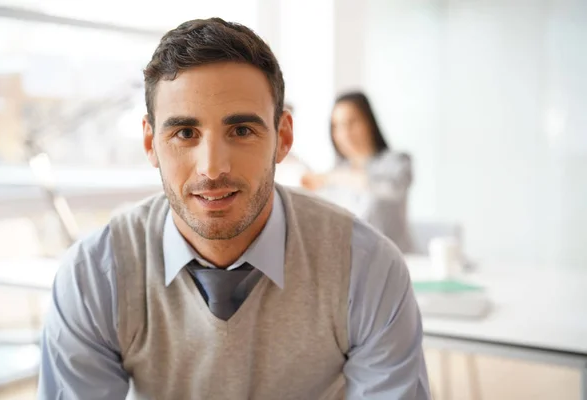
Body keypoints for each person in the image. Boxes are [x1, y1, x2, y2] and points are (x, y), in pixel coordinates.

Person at [37, 18, 430, 400]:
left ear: (283, 137)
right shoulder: (96, 275)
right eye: (185, 133)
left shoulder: (365, 268)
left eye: (241, 131)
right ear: (150, 143)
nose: (212, 168)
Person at [302, 92, 414, 253]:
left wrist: (333, 178)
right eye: (337, 126)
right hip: (352, 266)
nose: (344, 133)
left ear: (369, 122)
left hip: (396, 261)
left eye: (351, 122)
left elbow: (392, 187)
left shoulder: (396, 162)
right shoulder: (333, 175)